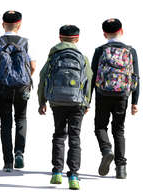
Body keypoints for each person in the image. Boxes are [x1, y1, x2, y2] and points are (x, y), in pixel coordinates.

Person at [38, 25, 92, 190]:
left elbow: (42, 77)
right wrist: (87, 102)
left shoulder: (53, 55)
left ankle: (56, 172)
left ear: (60, 38)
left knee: (59, 135)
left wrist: (42, 102)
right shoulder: (82, 57)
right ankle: (74, 176)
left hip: (57, 101)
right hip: (77, 103)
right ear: (77, 38)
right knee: (75, 138)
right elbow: (88, 79)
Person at [0, 10, 36, 172]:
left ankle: (8, 162)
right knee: (21, 118)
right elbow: (33, 66)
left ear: (3, 24)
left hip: (3, 87)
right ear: (19, 25)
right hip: (22, 87)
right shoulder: (26, 42)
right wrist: (23, 77)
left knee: (5, 123)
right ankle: (19, 153)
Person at [91, 18, 140, 179]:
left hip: (103, 94)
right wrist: (134, 102)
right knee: (118, 129)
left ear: (104, 34)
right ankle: (121, 168)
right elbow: (136, 77)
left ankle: (106, 151)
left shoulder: (100, 50)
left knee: (100, 127)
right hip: (122, 95)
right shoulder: (130, 51)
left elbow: (92, 77)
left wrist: (87, 101)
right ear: (122, 31)